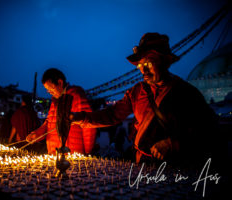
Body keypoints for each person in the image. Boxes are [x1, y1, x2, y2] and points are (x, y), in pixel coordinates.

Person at [72, 33, 218, 165]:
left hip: (176, 167)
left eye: (148, 63)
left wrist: (172, 143)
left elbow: (208, 128)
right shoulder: (136, 92)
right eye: (140, 65)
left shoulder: (186, 93)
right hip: (141, 164)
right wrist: (79, 118)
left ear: (165, 62)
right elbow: (112, 114)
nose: (143, 70)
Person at [26, 68, 96, 155]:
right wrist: (37, 135)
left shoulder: (75, 96)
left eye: (51, 89)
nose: (49, 92)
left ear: (60, 82)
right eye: (47, 90)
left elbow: (89, 125)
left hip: (71, 153)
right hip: (53, 152)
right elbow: (49, 123)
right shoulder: (55, 100)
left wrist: (87, 151)